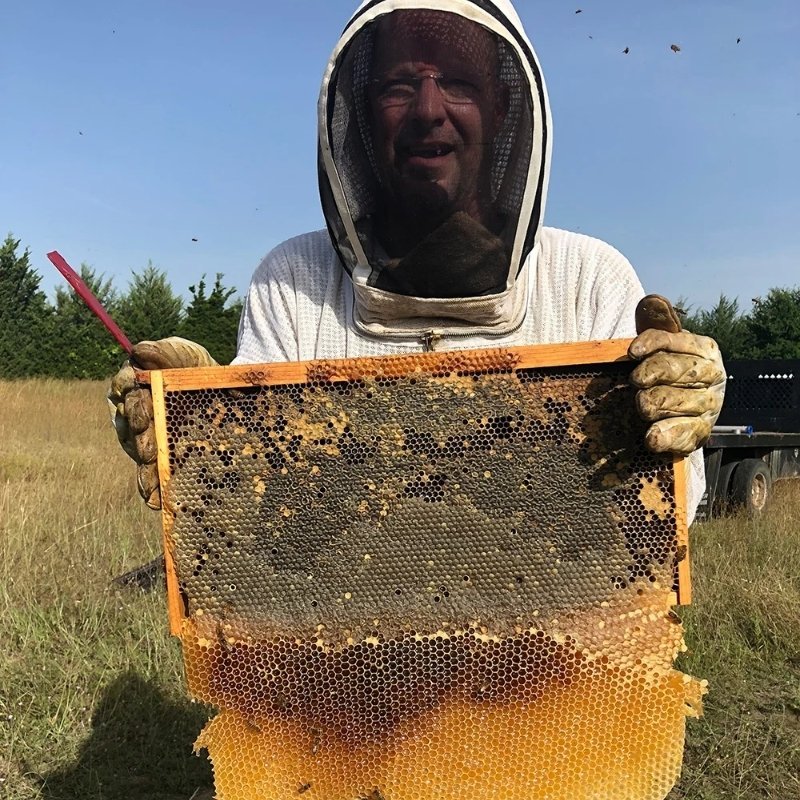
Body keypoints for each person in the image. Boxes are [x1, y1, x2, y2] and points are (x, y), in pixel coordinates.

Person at [109, 0, 725, 520]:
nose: (429, 109)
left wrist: (678, 419)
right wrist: (195, 420)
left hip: (557, 629)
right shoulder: (293, 281)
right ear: (362, 111)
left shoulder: (589, 281)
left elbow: (666, 512)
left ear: (503, 109)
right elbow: (247, 508)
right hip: (339, 629)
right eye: (399, 86)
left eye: (458, 83)